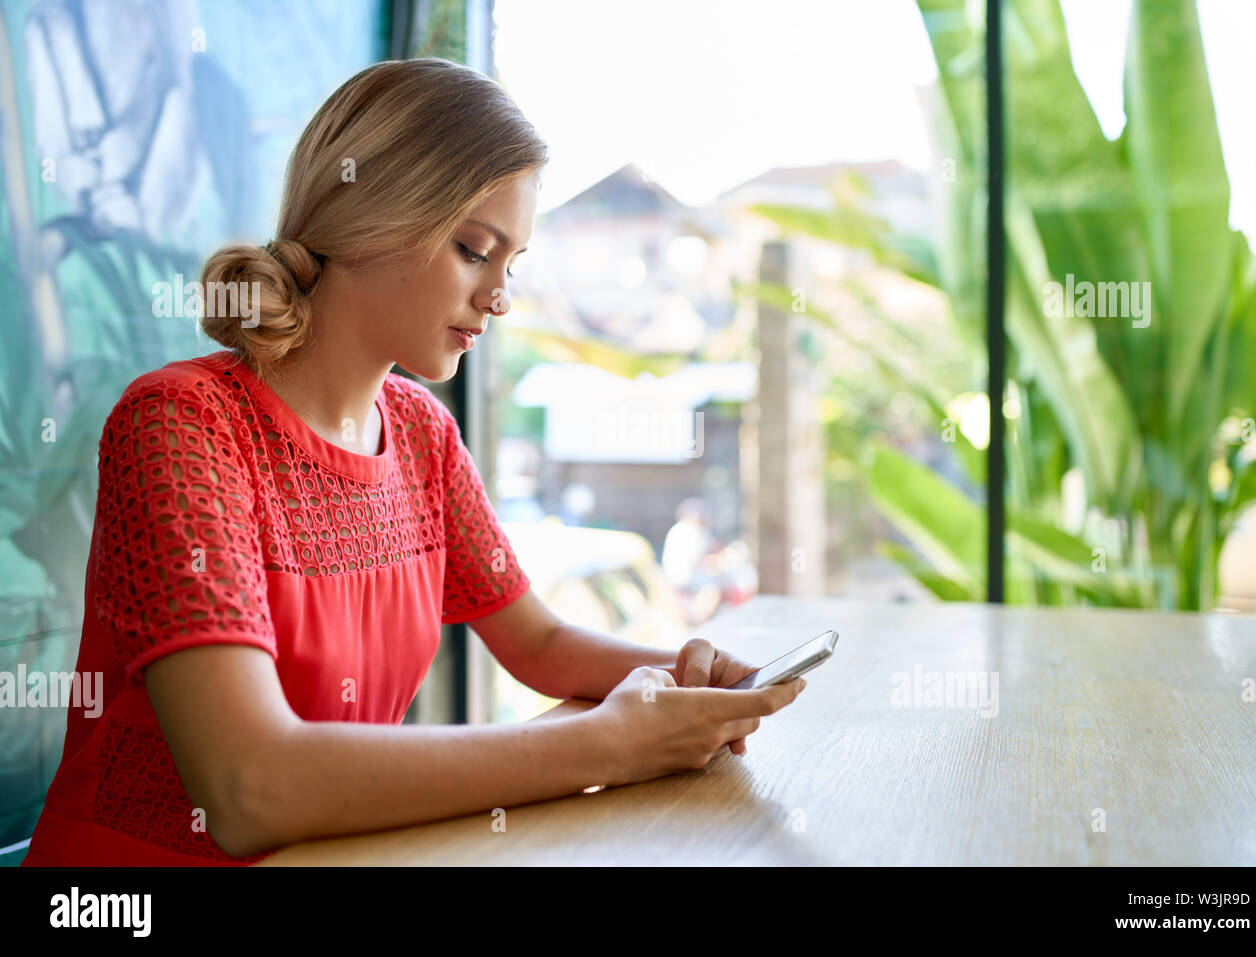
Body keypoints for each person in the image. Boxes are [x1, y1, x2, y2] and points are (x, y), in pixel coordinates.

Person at [21, 58, 803, 866]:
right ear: (372, 216)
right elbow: (248, 788)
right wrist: (609, 746)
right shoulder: (183, 425)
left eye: (512, 263)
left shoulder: (422, 434)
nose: (499, 297)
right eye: (474, 250)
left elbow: (539, 645)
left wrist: (700, 684)